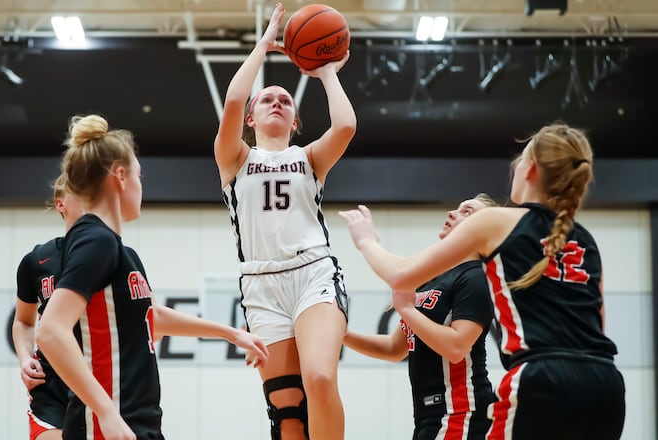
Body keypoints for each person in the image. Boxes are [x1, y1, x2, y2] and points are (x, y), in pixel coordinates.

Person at [339, 123, 626, 440]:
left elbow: (400, 274)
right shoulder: (585, 239)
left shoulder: (494, 225)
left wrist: (366, 241)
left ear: (530, 169)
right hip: (606, 384)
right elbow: (596, 322)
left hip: (542, 379)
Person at [36, 114, 269, 440]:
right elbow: (50, 330)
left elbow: (152, 319)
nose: (140, 185)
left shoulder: (121, 252)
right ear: (120, 176)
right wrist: (106, 412)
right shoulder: (96, 240)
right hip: (105, 425)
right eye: (138, 175)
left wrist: (231, 334)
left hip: (137, 421)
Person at [212, 3, 356, 439]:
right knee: (287, 414)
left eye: (286, 100)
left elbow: (346, 125)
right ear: (251, 119)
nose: (277, 102)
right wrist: (265, 42)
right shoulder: (235, 158)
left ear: (295, 123)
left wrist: (326, 70)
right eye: (268, 99)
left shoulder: (309, 157)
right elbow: (235, 98)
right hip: (260, 284)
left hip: (313, 272)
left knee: (320, 379)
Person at [344, 193, 498, 440]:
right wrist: (341, 335)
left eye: (467, 212)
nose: (452, 213)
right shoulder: (432, 279)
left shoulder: (475, 277)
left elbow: (457, 346)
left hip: (462, 413)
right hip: (432, 415)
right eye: (457, 208)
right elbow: (395, 348)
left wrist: (407, 310)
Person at [13, 175, 83, 440]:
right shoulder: (36, 261)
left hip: (100, 376)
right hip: (52, 384)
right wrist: (24, 358)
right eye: (80, 190)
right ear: (60, 204)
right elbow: (24, 322)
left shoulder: (115, 255)